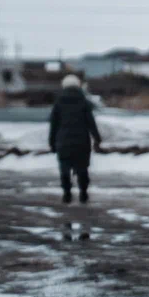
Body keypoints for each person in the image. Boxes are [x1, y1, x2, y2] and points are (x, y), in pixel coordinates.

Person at [48, 74, 102, 204]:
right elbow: (91, 123)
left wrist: (52, 143)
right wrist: (97, 138)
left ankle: (67, 193)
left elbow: (53, 125)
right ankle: (83, 193)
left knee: (64, 169)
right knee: (82, 169)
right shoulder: (84, 102)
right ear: (78, 86)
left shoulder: (58, 103)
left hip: (63, 141)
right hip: (82, 142)